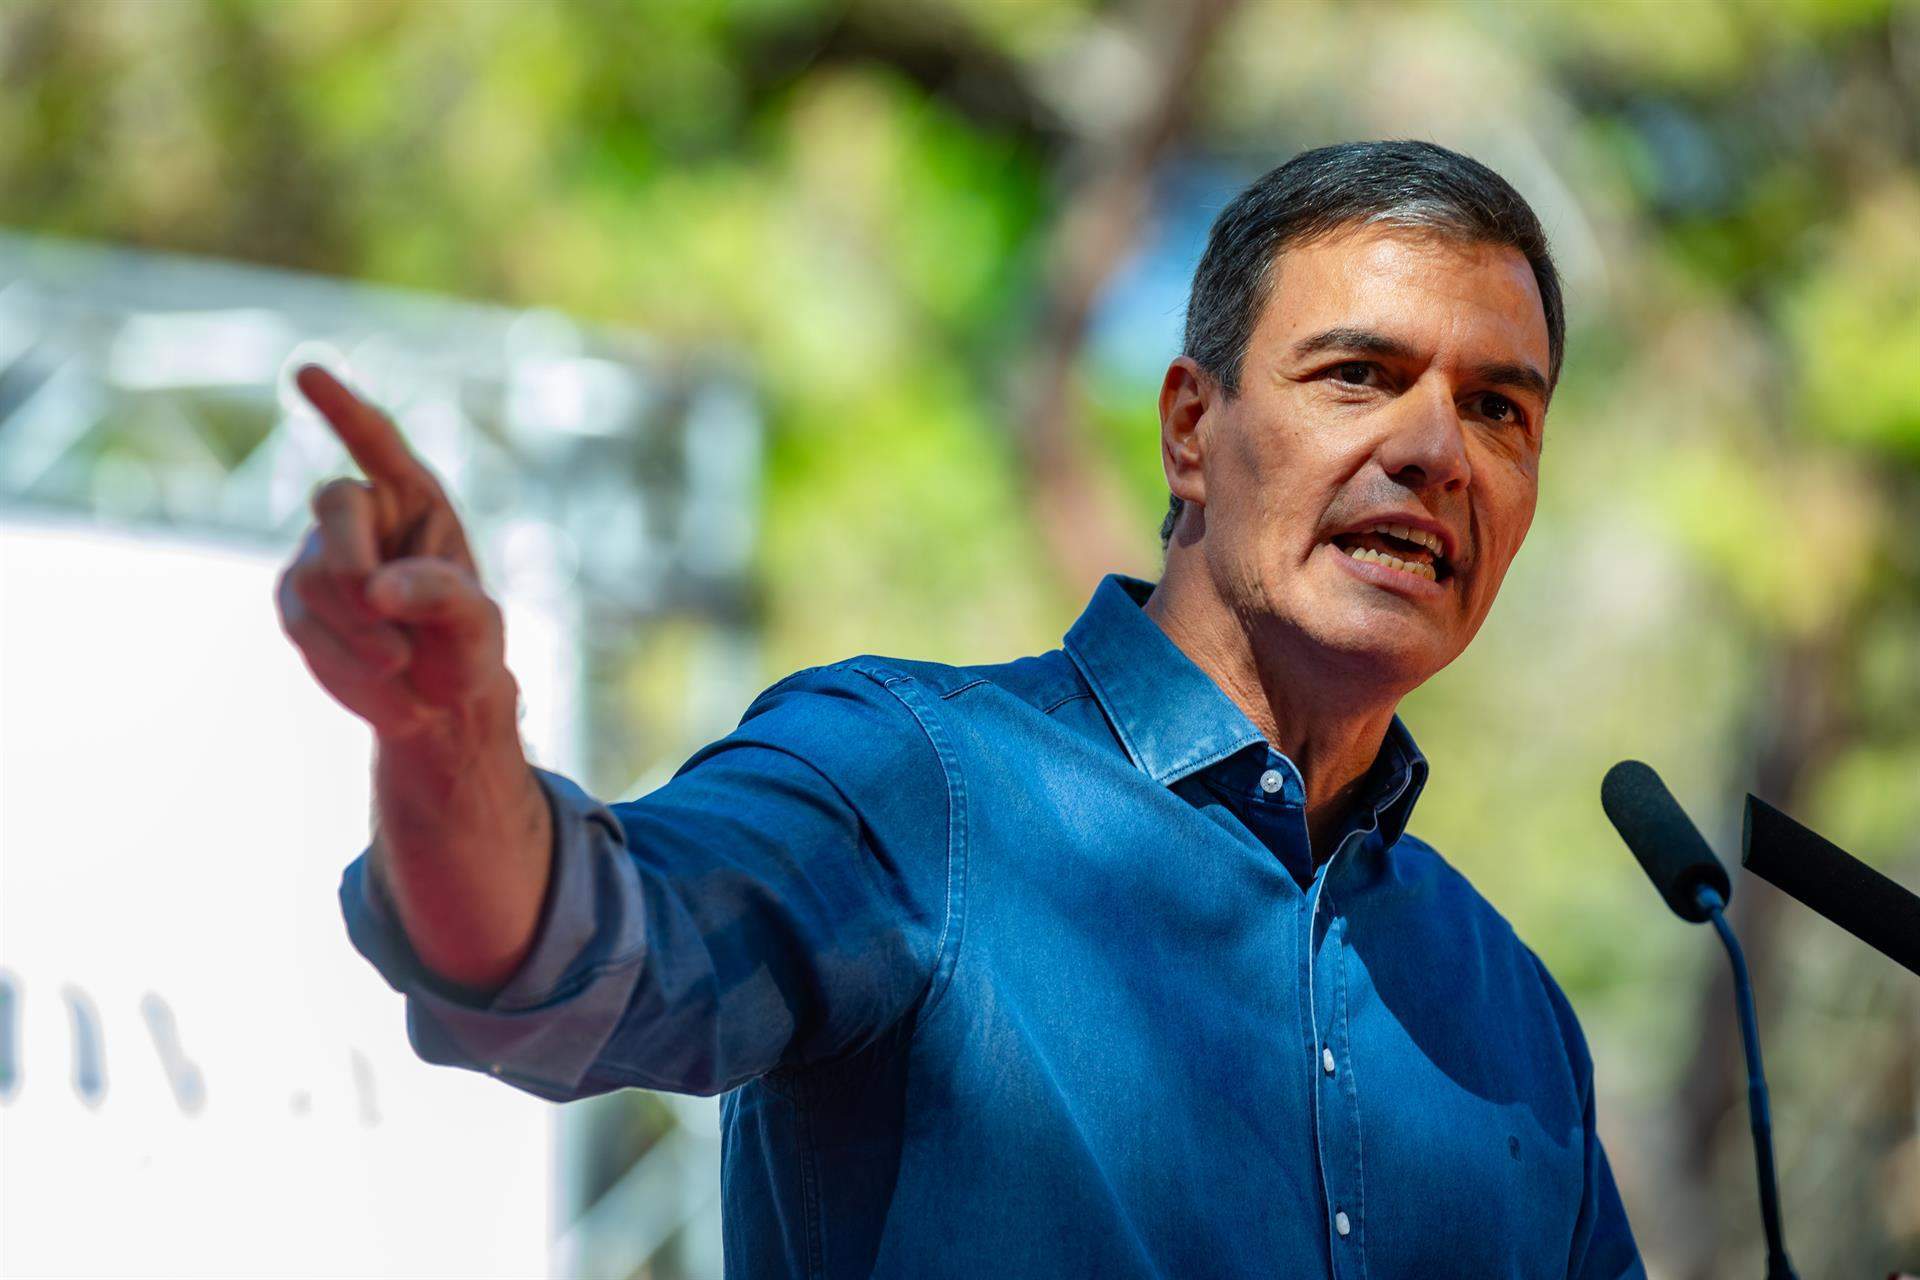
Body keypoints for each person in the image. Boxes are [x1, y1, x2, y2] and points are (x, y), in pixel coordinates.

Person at [276, 139, 1645, 1278]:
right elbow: (572, 957)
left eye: (1498, 410)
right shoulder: (911, 781)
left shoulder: (1510, 1010)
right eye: (1359, 376)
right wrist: (446, 747)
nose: (1435, 450)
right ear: (1190, 430)